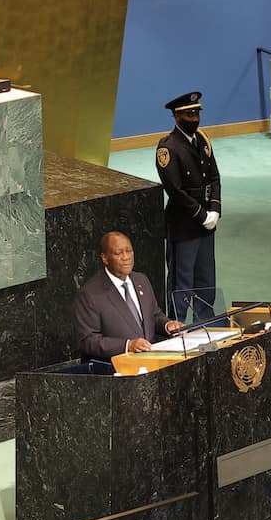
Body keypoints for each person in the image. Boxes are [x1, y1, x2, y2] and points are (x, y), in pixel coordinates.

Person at [155, 91, 222, 323]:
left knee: (205, 278)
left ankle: (206, 322)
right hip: (184, 225)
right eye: (189, 114)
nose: (194, 118)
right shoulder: (168, 148)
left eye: (196, 113)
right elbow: (175, 190)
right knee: (181, 282)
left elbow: (214, 177)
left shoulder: (202, 140)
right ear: (176, 116)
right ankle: (178, 327)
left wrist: (215, 209)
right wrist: (202, 214)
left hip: (206, 225)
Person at [71, 232, 183, 361]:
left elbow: (153, 315)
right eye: (119, 253)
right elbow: (87, 340)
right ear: (105, 258)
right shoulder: (89, 294)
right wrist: (127, 345)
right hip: (116, 370)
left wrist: (167, 325)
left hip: (152, 363)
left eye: (129, 251)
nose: (126, 257)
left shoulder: (141, 280)